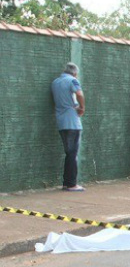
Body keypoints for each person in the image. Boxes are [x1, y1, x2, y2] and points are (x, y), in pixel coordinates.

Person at [51, 62, 85, 191]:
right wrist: (82, 107)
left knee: (68, 153)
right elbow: (80, 94)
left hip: (61, 121)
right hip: (72, 122)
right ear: (75, 73)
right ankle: (71, 184)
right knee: (73, 153)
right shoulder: (73, 81)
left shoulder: (55, 82)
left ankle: (67, 182)